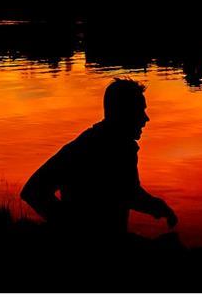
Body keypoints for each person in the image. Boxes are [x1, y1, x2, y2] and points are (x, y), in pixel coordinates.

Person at [21, 77, 177, 240]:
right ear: (124, 113)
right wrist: (70, 227)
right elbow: (33, 190)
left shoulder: (122, 147)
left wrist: (158, 207)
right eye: (140, 111)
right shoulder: (84, 147)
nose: (146, 119)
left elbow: (128, 192)